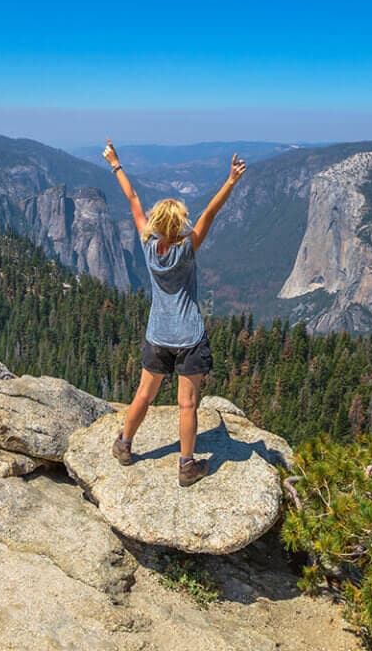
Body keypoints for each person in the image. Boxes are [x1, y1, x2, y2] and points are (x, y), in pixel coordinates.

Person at [102, 139, 246, 487]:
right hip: (189, 339)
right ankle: (186, 466)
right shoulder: (187, 248)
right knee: (187, 405)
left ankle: (124, 445)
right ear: (179, 224)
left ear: (155, 223)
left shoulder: (148, 246)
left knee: (143, 395)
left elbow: (133, 199)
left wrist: (115, 163)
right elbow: (210, 212)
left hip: (157, 336)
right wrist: (230, 181)